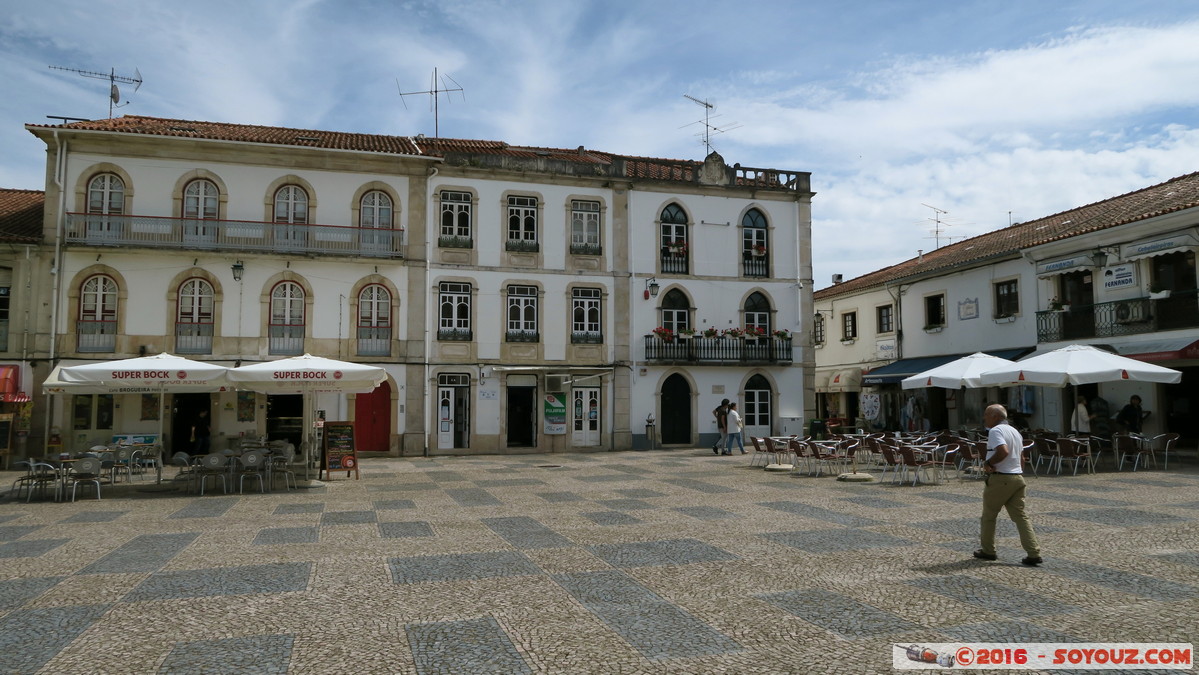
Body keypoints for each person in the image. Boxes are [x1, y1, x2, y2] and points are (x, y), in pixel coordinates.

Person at [973, 404, 1042, 567]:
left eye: (987, 415)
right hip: (1017, 478)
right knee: (1021, 517)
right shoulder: (1015, 431)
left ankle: (988, 551)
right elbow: (1022, 457)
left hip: (1001, 478)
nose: (984, 418)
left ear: (996, 416)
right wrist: (1017, 472)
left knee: (989, 516)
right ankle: (1033, 552)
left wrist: (989, 462)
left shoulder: (996, 431)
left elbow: (1003, 451)